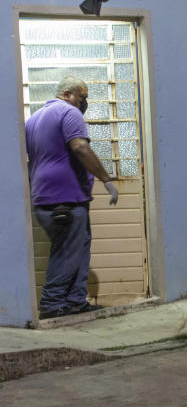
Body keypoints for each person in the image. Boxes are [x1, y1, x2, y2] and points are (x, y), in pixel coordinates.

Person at [25, 77, 119, 319]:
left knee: (79, 246)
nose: (84, 102)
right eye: (82, 96)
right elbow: (80, 147)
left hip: (45, 197)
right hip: (64, 198)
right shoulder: (69, 112)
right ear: (67, 94)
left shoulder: (33, 119)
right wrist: (106, 179)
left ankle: (75, 300)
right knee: (67, 249)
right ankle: (53, 302)